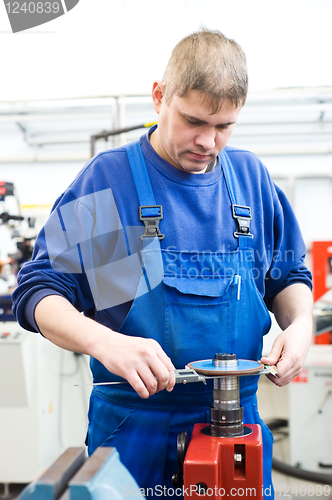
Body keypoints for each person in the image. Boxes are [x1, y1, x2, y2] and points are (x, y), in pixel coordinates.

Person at [12, 28, 313, 499]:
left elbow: (288, 277)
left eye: (225, 126)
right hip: (136, 429)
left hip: (239, 432)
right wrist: (106, 342)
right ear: (159, 97)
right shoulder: (112, 183)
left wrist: (300, 326)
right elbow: (41, 292)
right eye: (194, 120)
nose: (209, 141)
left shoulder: (250, 180)